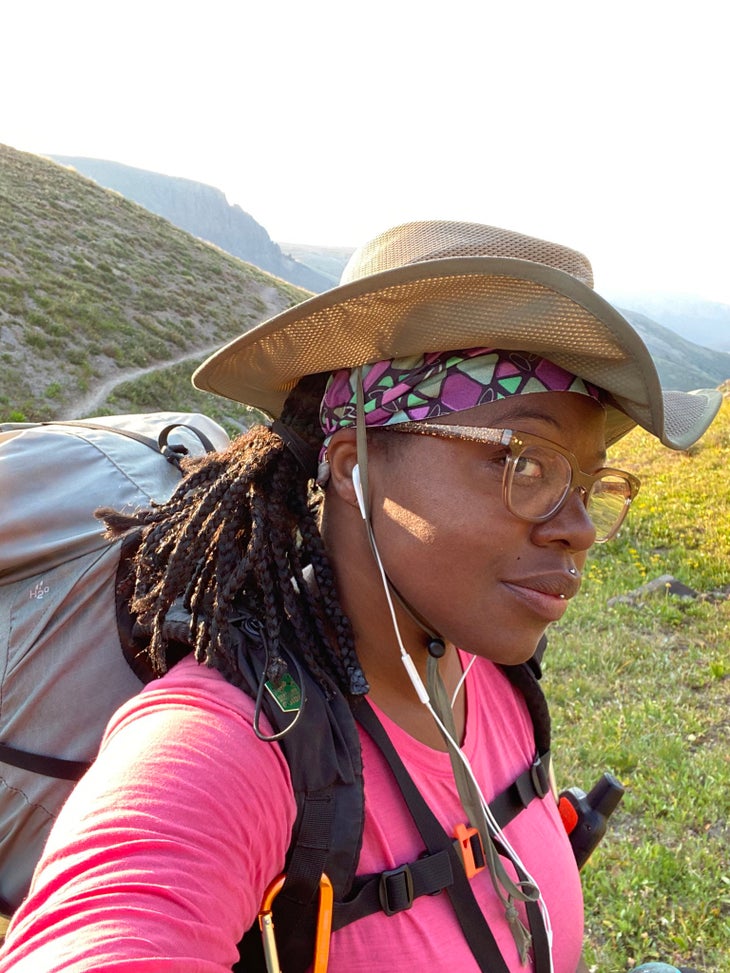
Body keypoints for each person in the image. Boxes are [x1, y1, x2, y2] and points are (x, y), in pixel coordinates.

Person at [0, 220, 720, 973]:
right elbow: (116, 926)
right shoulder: (232, 743)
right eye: (527, 464)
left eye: (589, 483)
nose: (580, 528)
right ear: (354, 467)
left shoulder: (490, 670)